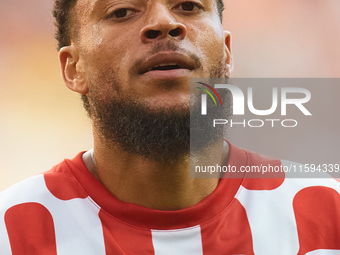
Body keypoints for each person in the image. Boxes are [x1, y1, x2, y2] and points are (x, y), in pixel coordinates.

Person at [1, 0, 340, 254]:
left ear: (226, 52)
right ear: (74, 68)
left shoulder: (328, 213)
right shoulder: (11, 232)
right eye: (122, 11)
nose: (165, 22)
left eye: (188, 5)